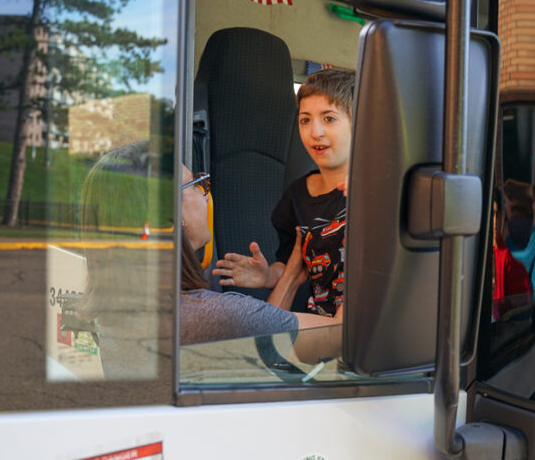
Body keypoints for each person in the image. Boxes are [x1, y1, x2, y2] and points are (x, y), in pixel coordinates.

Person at [79, 146, 336, 355]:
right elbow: (343, 336)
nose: (205, 196)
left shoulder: (117, 310)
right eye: (195, 185)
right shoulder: (211, 316)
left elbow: (259, 341)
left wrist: (289, 276)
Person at [212, 68, 354, 316]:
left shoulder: (379, 188)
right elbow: (292, 265)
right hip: (318, 326)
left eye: (329, 118)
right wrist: (268, 275)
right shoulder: (297, 196)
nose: (315, 132)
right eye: (305, 119)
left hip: (362, 330)